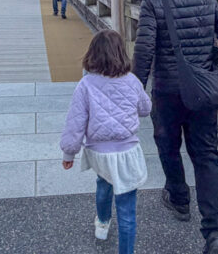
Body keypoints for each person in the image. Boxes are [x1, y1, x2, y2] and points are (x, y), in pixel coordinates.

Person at [133, 0, 218, 254]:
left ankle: (179, 198)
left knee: (167, 146)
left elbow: (144, 48)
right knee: (207, 155)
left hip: (167, 90)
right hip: (201, 91)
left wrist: (136, 88)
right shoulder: (208, 0)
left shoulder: (153, 2)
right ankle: (215, 232)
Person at [61, 30, 151, 254]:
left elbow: (75, 122)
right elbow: (145, 109)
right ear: (121, 53)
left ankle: (102, 223)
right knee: (127, 209)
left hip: (100, 153)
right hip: (127, 153)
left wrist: (69, 153)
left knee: (104, 184)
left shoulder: (85, 84)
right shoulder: (132, 81)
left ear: (92, 53)